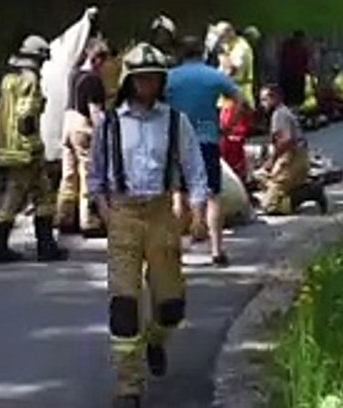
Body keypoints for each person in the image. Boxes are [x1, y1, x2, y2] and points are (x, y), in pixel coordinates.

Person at [87, 43, 207, 408]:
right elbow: (96, 175)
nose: (147, 85)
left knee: (171, 306)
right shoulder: (109, 124)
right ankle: (129, 384)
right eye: (141, 78)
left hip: (160, 214)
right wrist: (105, 210)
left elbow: (194, 169)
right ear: (129, 81)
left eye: (154, 78)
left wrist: (198, 212)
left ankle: (156, 340)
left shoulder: (174, 121)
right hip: (123, 214)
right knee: (124, 303)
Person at [0, 34, 69, 263]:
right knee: (15, 197)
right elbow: (26, 116)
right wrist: (34, 147)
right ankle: (0, 248)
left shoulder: (8, 80)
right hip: (25, 150)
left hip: (6, 146)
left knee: (43, 194)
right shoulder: (30, 80)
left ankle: (46, 246)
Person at [166, 35, 244, 267]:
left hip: (178, 141)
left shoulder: (170, 77)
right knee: (212, 195)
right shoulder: (213, 75)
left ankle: (176, 251)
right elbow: (238, 98)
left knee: (178, 195)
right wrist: (228, 126)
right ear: (202, 52)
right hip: (207, 140)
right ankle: (216, 250)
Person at [56, 38, 111, 238]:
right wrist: (103, 133)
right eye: (103, 62)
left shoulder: (74, 74)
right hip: (82, 125)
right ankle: (89, 220)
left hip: (67, 122)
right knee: (88, 172)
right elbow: (95, 110)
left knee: (68, 174)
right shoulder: (94, 80)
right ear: (97, 59)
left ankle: (65, 216)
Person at [256, 84, 310, 215]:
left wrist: (272, 160)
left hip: (292, 157)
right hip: (297, 156)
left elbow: (286, 140)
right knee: (261, 178)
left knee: (269, 206)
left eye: (265, 99)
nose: (262, 104)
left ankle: (308, 192)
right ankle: (292, 194)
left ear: (275, 98)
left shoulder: (279, 114)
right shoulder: (283, 112)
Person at [277, 29, 311, 108]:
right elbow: (305, 60)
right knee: (294, 94)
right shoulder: (300, 47)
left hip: (290, 74)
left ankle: (292, 105)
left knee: (291, 94)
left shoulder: (288, 45)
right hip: (294, 74)